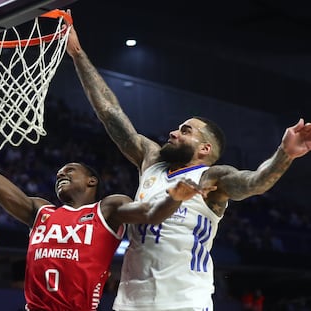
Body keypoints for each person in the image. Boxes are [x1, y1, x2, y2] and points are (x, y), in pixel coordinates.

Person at [65, 10, 311, 311]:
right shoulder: (151, 160)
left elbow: (255, 183)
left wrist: (284, 153)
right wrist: (78, 54)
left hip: (185, 303)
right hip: (130, 302)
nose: (173, 133)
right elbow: (110, 112)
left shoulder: (213, 178)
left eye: (185, 130)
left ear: (205, 148)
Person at [0, 85, 213, 311]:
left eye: (70, 170)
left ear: (92, 180)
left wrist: (174, 198)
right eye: (59, 172)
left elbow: (150, 214)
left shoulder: (109, 208)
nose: (62, 174)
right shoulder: (40, 211)